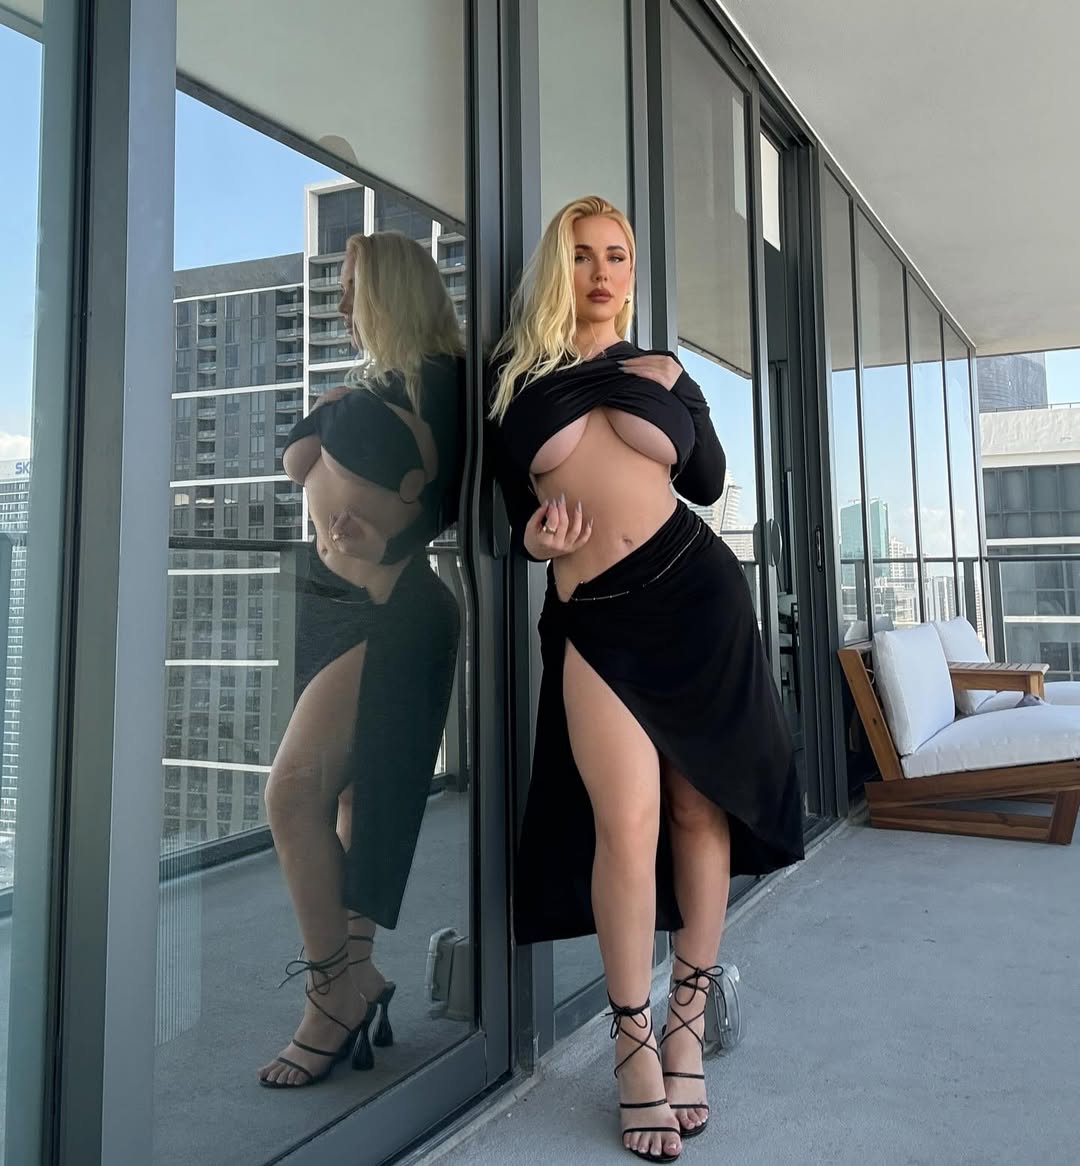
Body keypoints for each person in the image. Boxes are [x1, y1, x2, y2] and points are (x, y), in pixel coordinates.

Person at [491, 196, 804, 1160]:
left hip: (697, 597)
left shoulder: (657, 366)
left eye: (618, 256)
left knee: (698, 812)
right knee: (624, 827)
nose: (603, 272)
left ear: (633, 270)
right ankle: (632, 1046)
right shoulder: (516, 376)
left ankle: (685, 1026)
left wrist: (682, 386)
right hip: (595, 619)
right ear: (560, 268)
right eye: (584, 255)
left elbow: (704, 481)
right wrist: (532, 540)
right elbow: (509, 515)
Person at [257, 230, 465, 1089]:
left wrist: (388, 542)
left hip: (390, 607)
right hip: (332, 604)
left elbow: (447, 494)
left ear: (391, 291)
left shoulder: (442, 383)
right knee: (347, 795)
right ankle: (358, 972)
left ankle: (329, 996)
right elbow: (302, 459)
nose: (341, 303)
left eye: (352, 287)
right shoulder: (381, 383)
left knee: (292, 793)